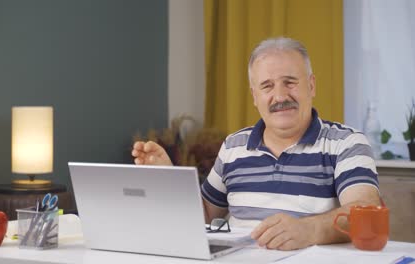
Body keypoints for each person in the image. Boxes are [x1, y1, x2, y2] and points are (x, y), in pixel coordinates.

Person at [132, 37, 380, 251]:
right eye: (267, 86)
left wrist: (310, 230)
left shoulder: (346, 143)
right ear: (254, 96)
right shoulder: (233, 146)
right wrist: (168, 178)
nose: (280, 96)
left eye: (290, 82)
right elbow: (205, 216)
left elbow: (366, 212)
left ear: (311, 85)